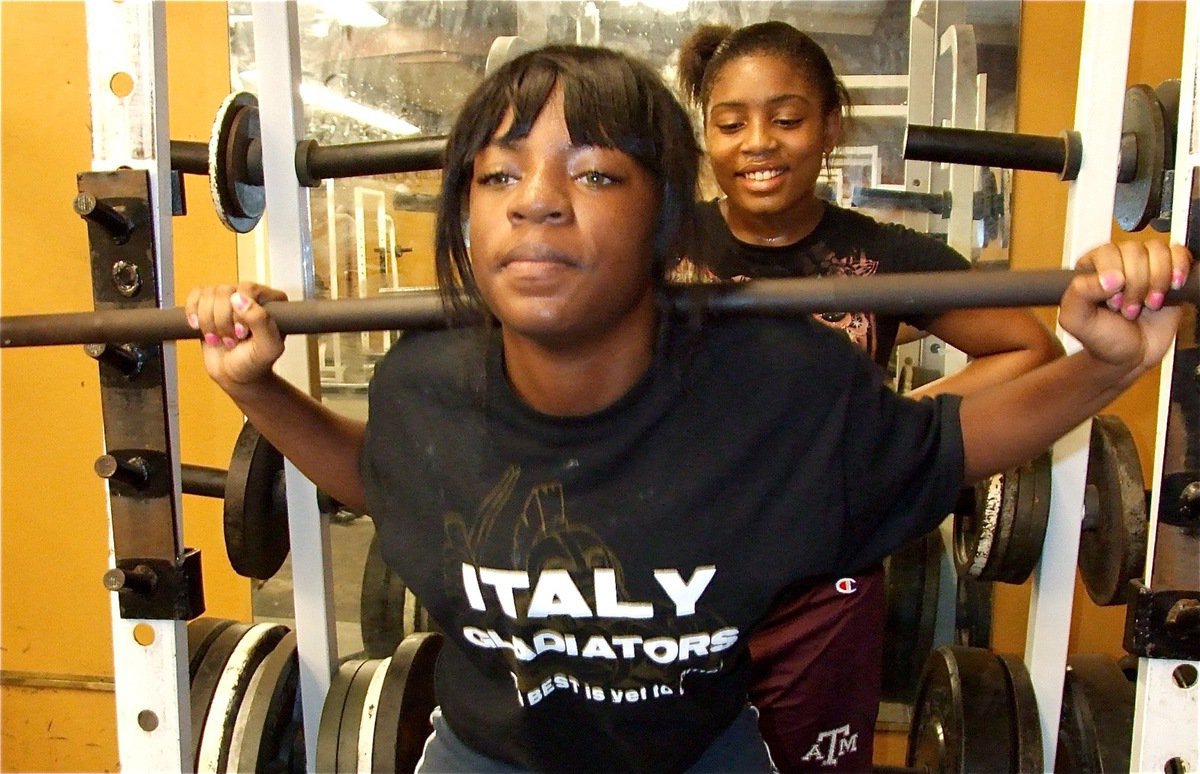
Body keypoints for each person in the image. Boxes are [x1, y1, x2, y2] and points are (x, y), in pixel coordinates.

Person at [186, 45, 1191, 772]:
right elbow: (385, 475)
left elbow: (947, 446)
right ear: (463, 216)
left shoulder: (780, 389)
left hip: (701, 753)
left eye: (593, 172)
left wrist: (1105, 367)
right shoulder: (425, 383)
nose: (535, 201)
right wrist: (253, 385)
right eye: (498, 174)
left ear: (670, 228)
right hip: (484, 754)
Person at [675, 21, 1063, 770]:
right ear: (708, 135)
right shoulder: (660, 245)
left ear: (830, 127)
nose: (758, 142)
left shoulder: (880, 256)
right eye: (731, 123)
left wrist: (893, 431)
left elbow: (1027, 347)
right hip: (679, 577)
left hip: (825, 587)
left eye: (786, 119)